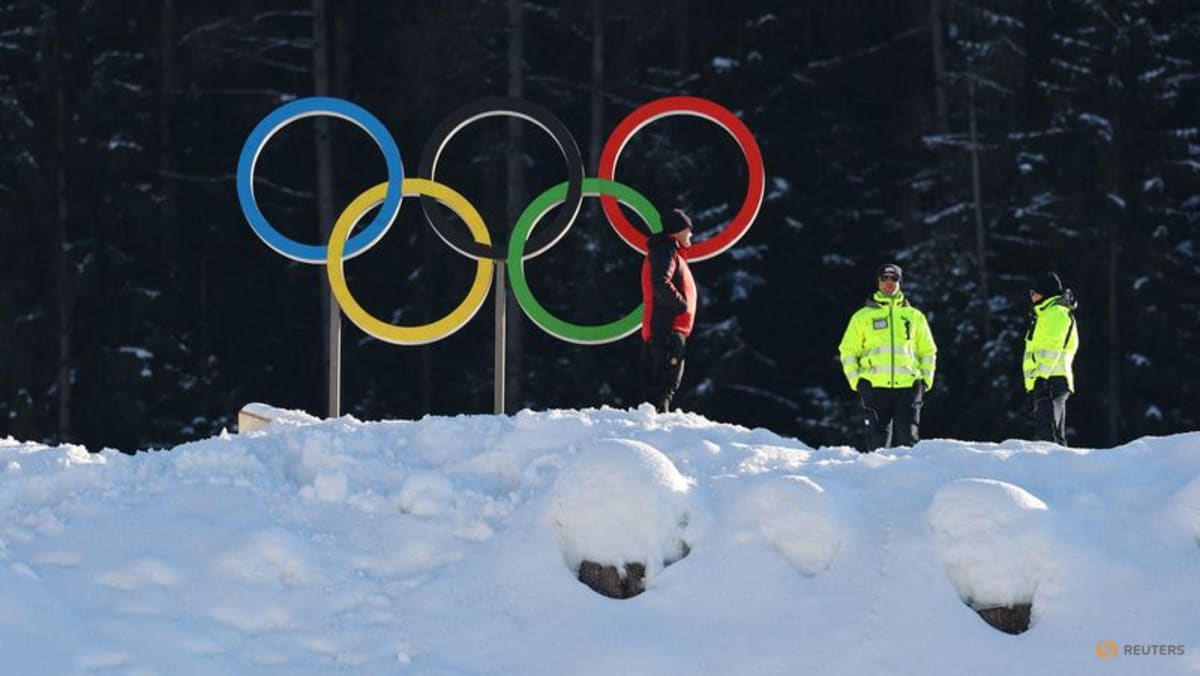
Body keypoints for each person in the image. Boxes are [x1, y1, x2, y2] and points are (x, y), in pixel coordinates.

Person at [837, 263, 937, 451]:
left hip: (909, 387)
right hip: (874, 388)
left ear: (900, 282)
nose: (889, 282)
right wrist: (857, 381)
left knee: (909, 443)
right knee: (877, 446)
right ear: (878, 282)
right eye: (885, 278)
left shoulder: (915, 316)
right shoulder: (862, 317)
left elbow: (928, 351)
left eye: (894, 278)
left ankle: (911, 479)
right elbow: (848, 351)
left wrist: (925, 381)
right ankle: (878, 479)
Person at [641, 208, 696, 413]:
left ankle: (658, 418)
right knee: (665, 383)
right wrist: (680, 304)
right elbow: (660, 281)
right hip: (667, 327)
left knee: (667, 381)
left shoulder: (671, 251)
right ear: (678, 231)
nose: (691, 233)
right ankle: (657, 422)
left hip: (671, 328)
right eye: (688, 229)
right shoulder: (665, 250)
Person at [1022, 272, 1078, 445]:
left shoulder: (1056, 313)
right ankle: (1057, 469)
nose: (1031, 296)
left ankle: (1057, 469)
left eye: (1034, 292)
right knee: (1049, 433)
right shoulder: (1044, 315)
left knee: (1050, 435)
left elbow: (1052, 348)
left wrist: (1041, 377)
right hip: (1046, 380)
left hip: (1052, 379)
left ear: (1044, 292)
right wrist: (1032, 385)